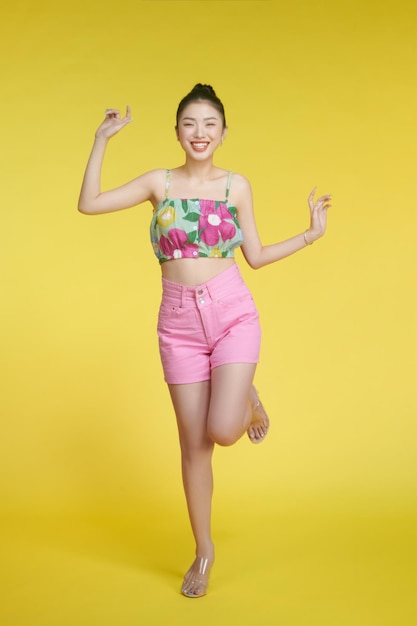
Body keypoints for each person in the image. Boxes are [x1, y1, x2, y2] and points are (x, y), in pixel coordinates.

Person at [78, 83, 331, 598]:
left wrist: (309, 233)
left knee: (222, 429)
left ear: (223, 132)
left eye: (209, 124)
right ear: (177, 131)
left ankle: (244, 400)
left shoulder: (236, 186)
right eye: (190, 123)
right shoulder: (159, 182)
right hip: (177, 325)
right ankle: (204, 550)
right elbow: (89, 203)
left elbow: (254, 257)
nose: (200, 133)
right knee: (194, 448)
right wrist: (102, 139)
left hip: (232, 312)